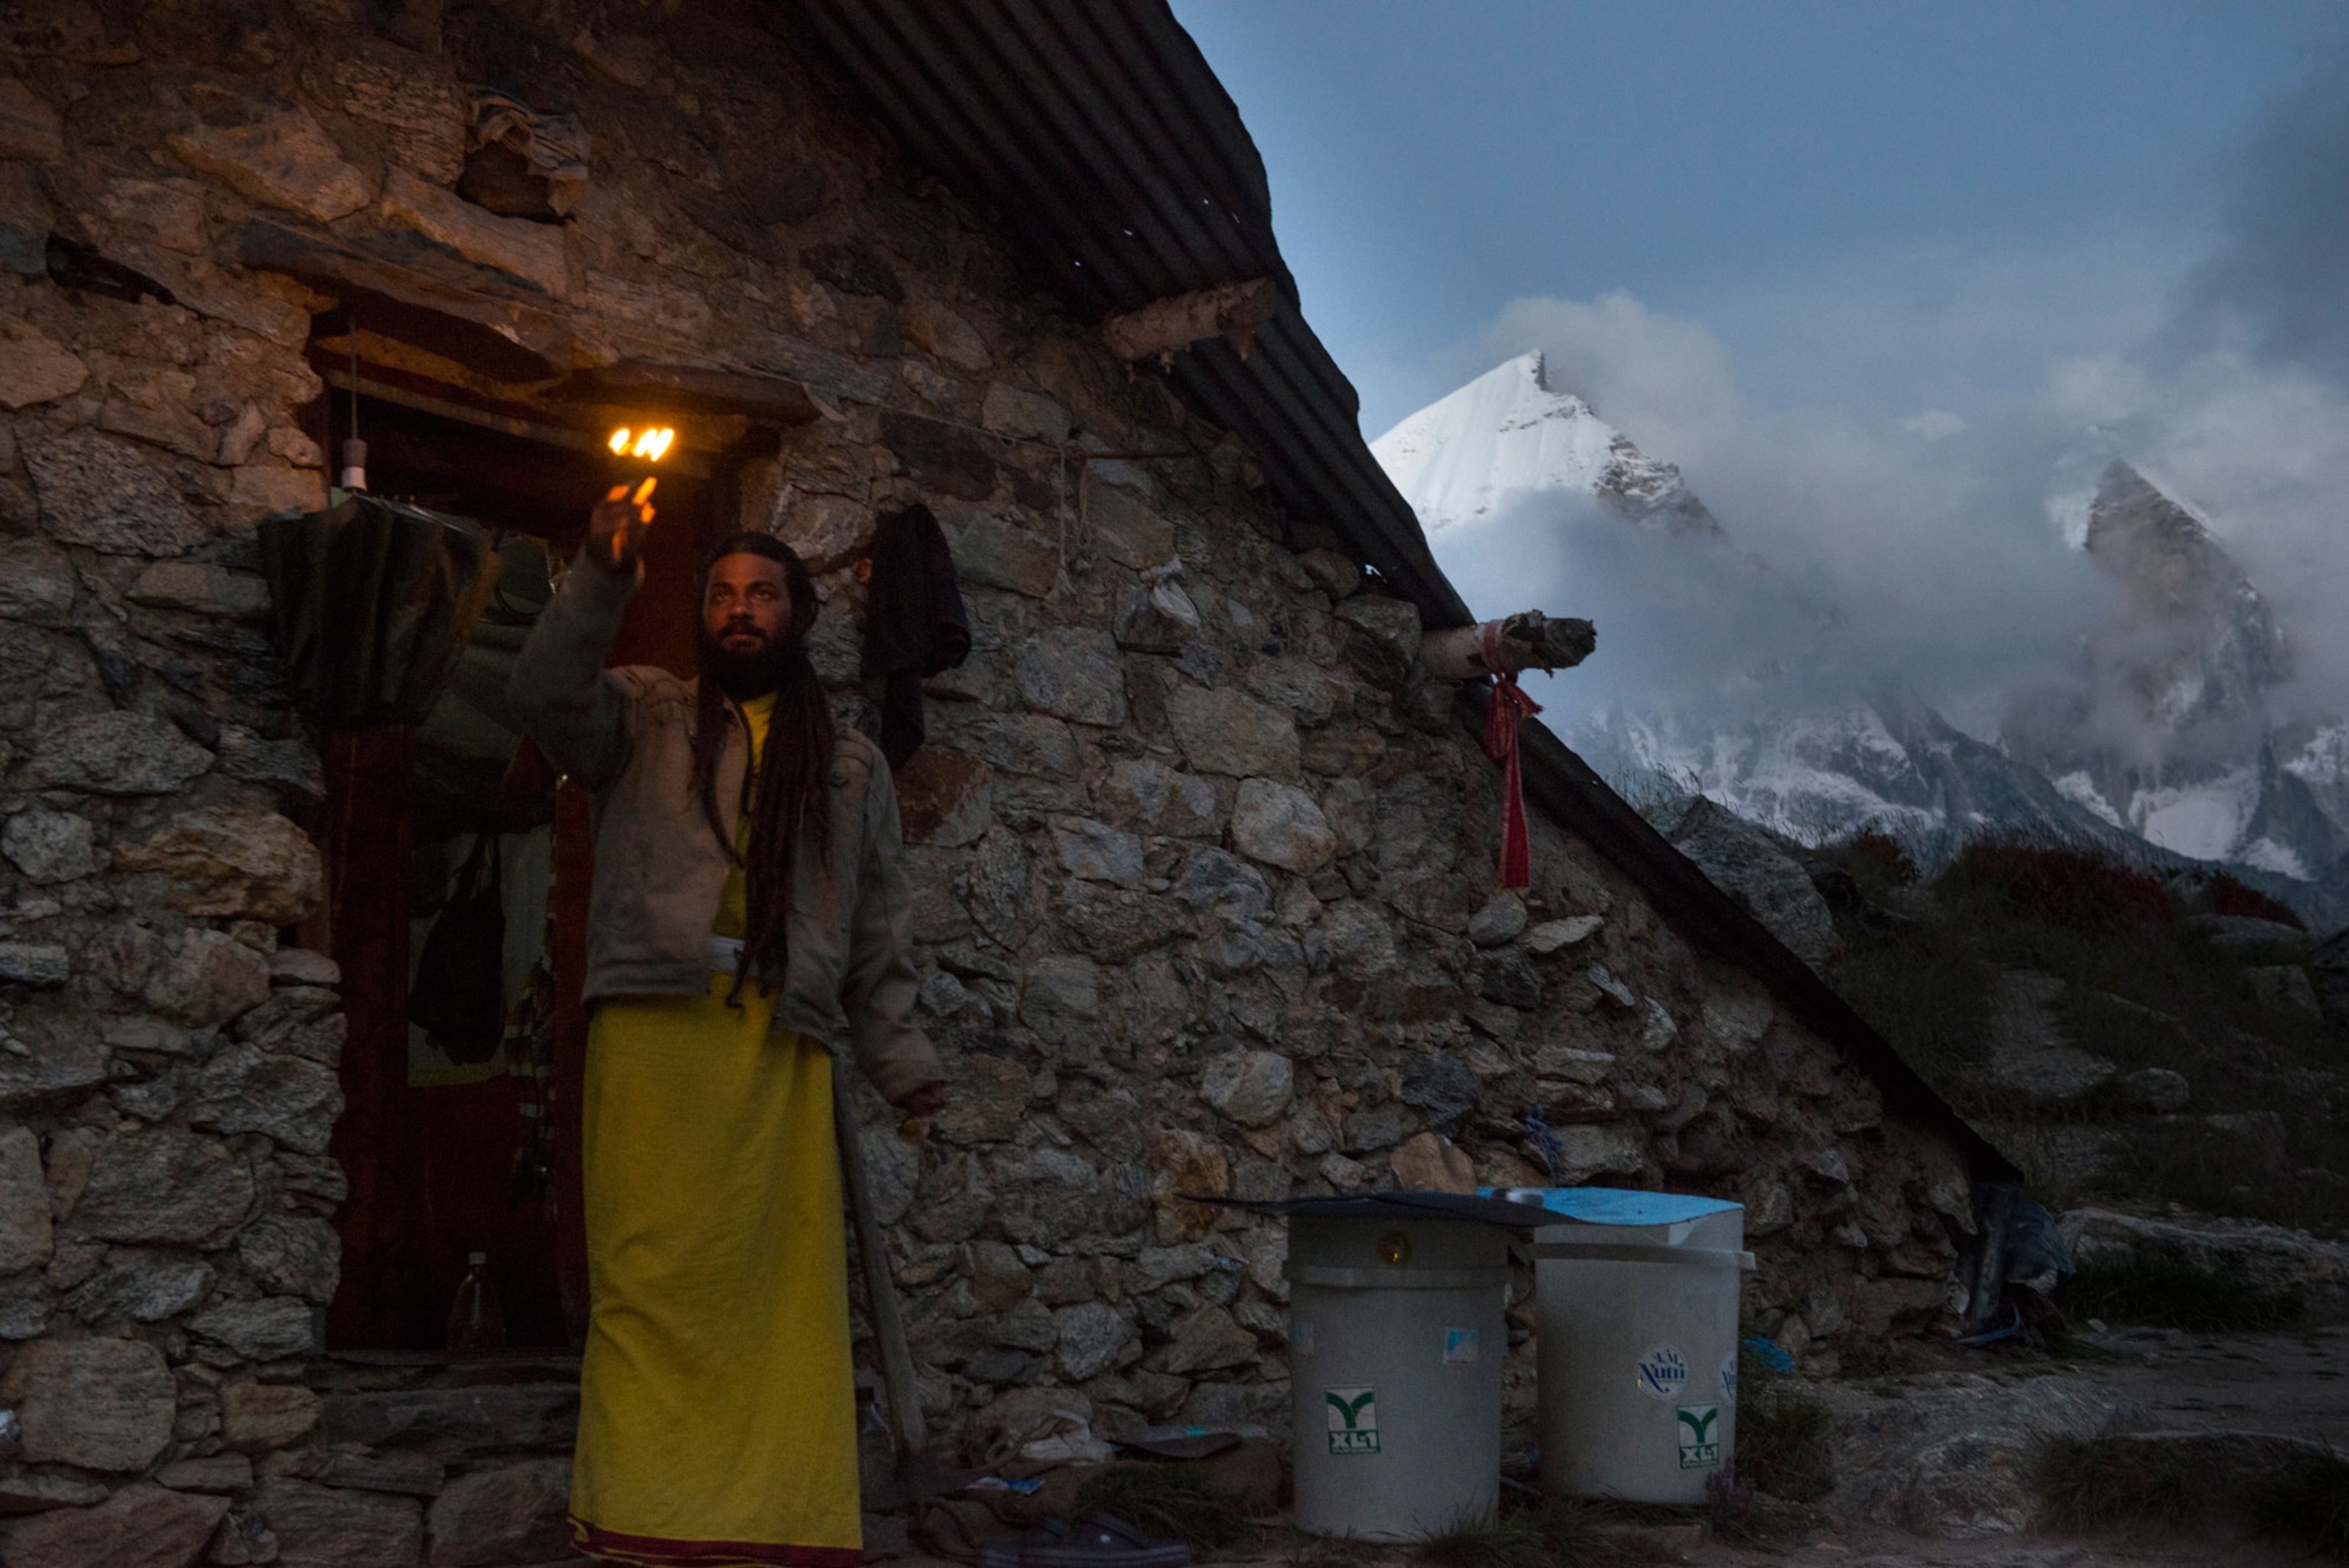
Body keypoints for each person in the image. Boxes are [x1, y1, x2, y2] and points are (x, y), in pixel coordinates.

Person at [510, 484, 945, 1566]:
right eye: (720, 595)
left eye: (762, 595)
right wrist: (604, 572)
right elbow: (541, 691)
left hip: (777, 1050)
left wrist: (903, 1065)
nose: (740, 610)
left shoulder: (849, 766)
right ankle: (644, 1527)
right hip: (656, 1042)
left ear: (799, 616)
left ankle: (774, 1536)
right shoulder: (643, 714)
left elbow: (879, 932)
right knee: (649, 1288)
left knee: (779, 1310)